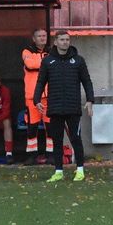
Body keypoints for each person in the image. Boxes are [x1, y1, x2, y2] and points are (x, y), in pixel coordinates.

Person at [33, 30, 94, 183]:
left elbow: (87, 81)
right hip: (55, 108)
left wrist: (90, 99)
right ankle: (58, 171)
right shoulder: (48, 61)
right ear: (55, 42)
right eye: (62, 39)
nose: (65, 42)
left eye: (67, 39)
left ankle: (80, 170)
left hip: (73, 107)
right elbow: (41, 82)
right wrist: (36, 99)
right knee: (57, 141)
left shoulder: (78, 60)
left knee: (76, 138)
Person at [21, 29, 52, 165]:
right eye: (39, 36)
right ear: (34, 38)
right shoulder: (27, 51)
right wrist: (46, 63)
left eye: (44, 36)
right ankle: (31, 156)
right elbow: (30, 64)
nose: (42, 38)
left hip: (49, 96)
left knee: (51, 127)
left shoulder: (52, 50)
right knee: (31, 127)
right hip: (32, 96)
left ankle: (51, 155)